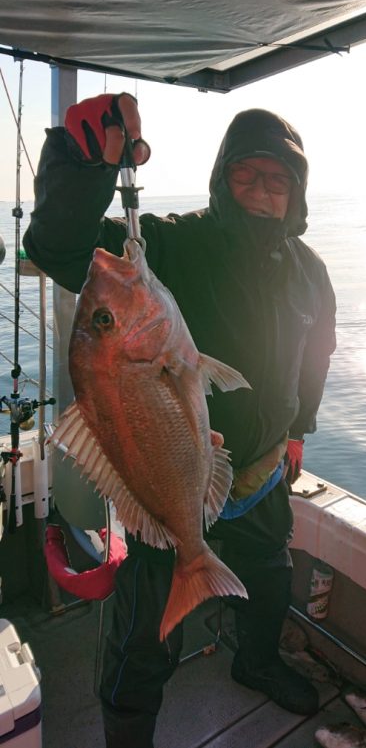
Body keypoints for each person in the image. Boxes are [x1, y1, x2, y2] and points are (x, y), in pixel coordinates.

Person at [23, 93, 336, 748]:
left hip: (260, 468)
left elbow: (316, 352)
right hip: (167, 475)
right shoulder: (170, 242)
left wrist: (300, 428)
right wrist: (82, 165)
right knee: (146, 630)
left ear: (297, 192)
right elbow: (61, 246)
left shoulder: (310, 272)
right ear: (221, 180)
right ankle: (128, 731)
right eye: (245, 174)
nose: (260, 189)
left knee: (270, 576)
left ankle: (256, 660)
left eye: (277, 179)